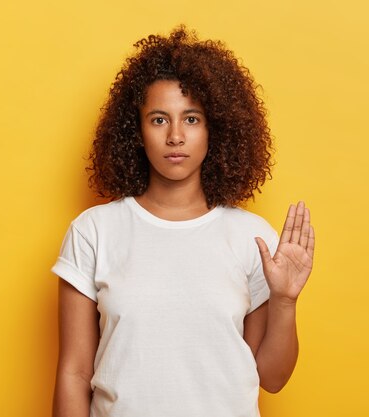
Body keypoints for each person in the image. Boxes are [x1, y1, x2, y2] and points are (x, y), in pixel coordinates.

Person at [51, 26, 315, 417]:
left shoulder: (252, 238)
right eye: (159, 120)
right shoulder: (94, 231)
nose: (175, 136)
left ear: (215, 130)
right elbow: (74, 372)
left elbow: (271, 378)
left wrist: (285, 301)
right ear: (136, 132)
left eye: (191, 119)